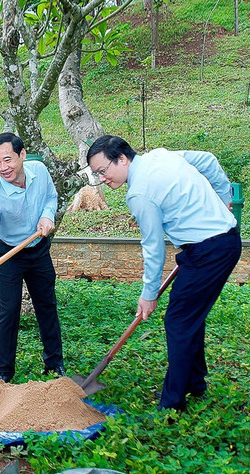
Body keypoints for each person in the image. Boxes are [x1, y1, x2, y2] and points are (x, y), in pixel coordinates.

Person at [87, 135, 240, 411]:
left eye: (103, 170)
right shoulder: (160, 155)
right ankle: (194, 383)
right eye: (97, 174)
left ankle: (172, 404)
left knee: (178, 322)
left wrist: (148, 294)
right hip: (219, 243)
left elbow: (153, 246)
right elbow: (208, 159)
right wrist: (223, 198)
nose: (102, 179)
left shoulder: (139, 194)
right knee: (188, 317)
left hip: (209, 251)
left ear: (122, 159)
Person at [0, 132, 64, 383]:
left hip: (37, 250)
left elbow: (50, 197)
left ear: (22, 155)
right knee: (9, 310)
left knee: (46, 305)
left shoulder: (40, 171)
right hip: (8, 255)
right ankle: (2, 373)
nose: (2, 168)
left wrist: (48, 216)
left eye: (8, 160)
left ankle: (55, 365)